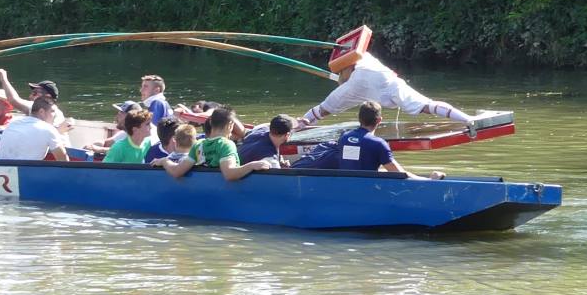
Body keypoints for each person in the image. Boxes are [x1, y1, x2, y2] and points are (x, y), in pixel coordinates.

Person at [295, 48, 474, 130]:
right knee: (427, 106)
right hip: (393, 85)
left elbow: (322, 109)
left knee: (322, 111)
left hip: (370, 89)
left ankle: (301, 125)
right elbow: (355, 48)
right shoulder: (367, 58)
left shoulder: (350, 87)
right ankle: (468, 119)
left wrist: (304, 121)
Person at [334, 100, 442, 179]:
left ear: (359, 119)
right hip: (366, 189)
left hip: (346, 186)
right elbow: (399, 174)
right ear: (379, 120)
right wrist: (429, 180)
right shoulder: (378, 143)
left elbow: (356, 165)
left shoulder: (344, 138)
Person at [180, 106, 272, 182]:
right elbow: (229, 174)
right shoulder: (226, 144)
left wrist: (165, 161)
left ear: (211, 122)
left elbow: (177, 171)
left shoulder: (198, 144)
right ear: (230, 125)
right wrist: (252, 165)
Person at [0, 96, 70, 162]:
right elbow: (63, 160)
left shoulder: (13, 123)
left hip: (0, 171)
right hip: (25, 173)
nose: (55, 115)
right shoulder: (49, 129)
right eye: (53, 111)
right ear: (41, 111)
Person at [0, 70, 70, 132]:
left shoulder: (56, 114)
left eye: (35, 93)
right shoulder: (33, 107)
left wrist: (3, 78)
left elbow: (13, 100)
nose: (30, 96)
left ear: (48, 96)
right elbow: (13, 99)